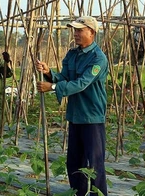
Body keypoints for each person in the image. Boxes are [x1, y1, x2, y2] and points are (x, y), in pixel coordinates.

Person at [35, 16, 108, 196]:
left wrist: (51, 87)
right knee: (74, 163)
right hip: (75, 116)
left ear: (91, 32)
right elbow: (65, 78)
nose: (75, 34)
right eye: (74, 30)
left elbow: (82, 83)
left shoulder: (98, 59)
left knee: (95, 164)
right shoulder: (72, 54)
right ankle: (78, 194)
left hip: (92, 117)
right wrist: (49, 73)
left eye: (79, 30)